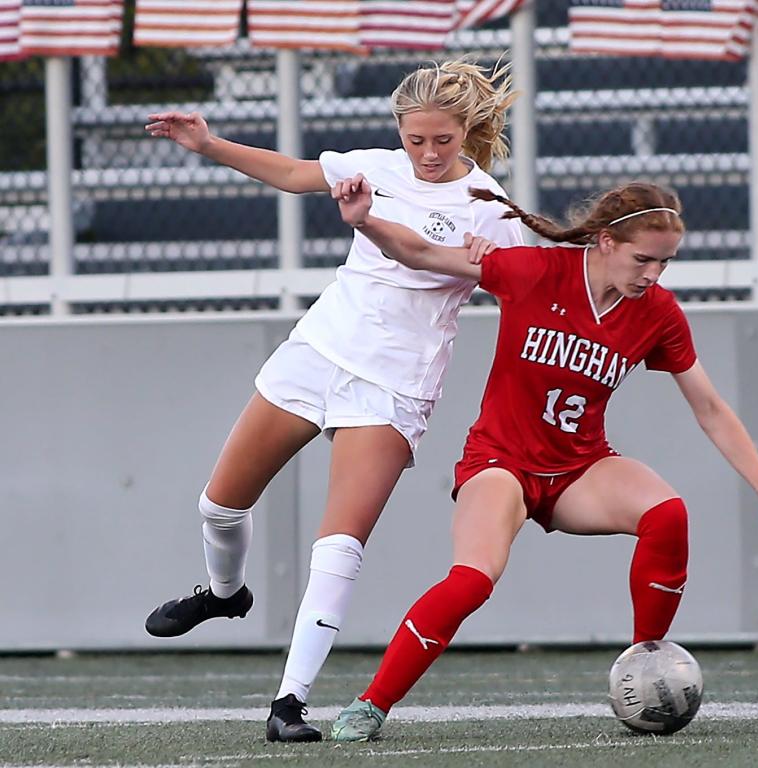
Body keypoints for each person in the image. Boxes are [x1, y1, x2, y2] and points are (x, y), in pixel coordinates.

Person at [324, 173, 758, 741]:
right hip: (501, 463)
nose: (654, 275)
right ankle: (372, 704)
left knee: (668, 515)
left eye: (666, 263)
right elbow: (419, 251)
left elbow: (710, 408)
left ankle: (645, 669)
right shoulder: (535, 271)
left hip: (580, 467)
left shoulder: (656, 312)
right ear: (606, 242)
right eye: (644, 260)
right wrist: (364, 220)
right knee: (472, 579)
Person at [141, 58, 525, 743]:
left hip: (394, 382)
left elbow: (498, 279)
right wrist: (207, 144)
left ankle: (289, 704)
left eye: (444, 140)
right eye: (417, 140)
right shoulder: (374, 166)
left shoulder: (492, 211)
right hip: (318, 351)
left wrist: (487, 264)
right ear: (400, 134)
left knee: (337, 544)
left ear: (469, 130)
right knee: (219, 504)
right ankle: (225, 595)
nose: (431, 153)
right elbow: (293, 175)